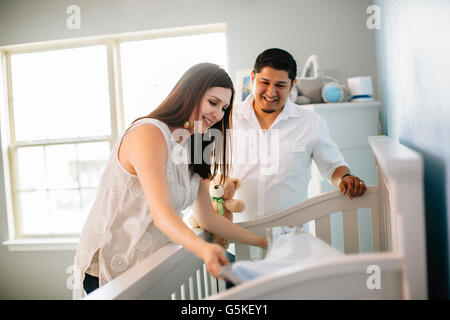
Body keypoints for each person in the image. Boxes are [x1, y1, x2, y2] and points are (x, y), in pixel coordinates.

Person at [72, 63, 267, 299]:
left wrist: (264, 241)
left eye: (224, 108)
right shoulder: (149, 133)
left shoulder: (196, 145)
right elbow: (162, 215)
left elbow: (208, 217)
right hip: (109, 263)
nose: (218, 114)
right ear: (190, 94)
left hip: (146, 263)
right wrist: (204, 249)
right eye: (213, 102)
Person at [229, 48, 367, 223]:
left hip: (290, 235)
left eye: (280, 85)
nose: (271, 93)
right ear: (253, 78)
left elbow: (333, 166)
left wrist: (346, 178)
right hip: (237, 233)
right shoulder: (228, 118)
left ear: (292, 85)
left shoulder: (311, 122)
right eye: (264, 82)